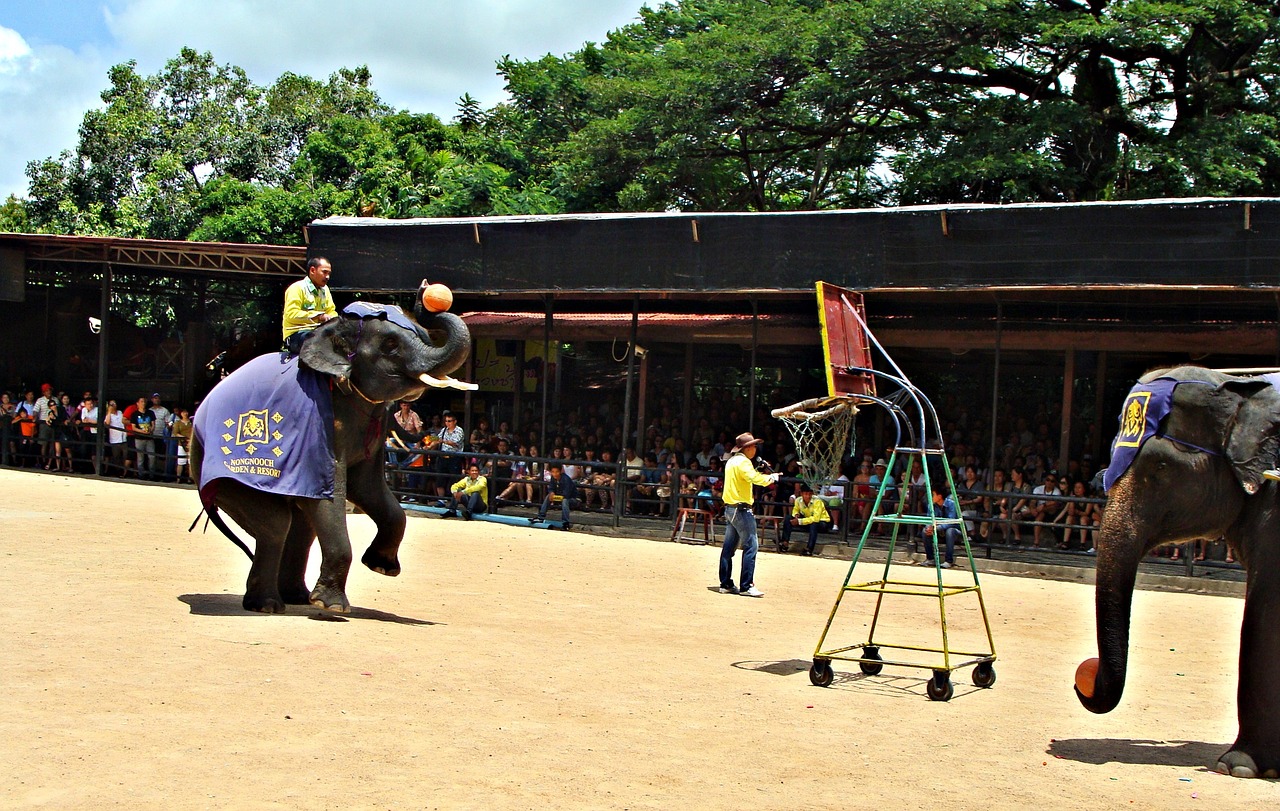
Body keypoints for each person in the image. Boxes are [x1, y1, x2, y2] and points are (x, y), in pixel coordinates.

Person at [717, 432, 780, 598]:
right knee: (751, 545)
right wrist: (771, 478)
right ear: (746, 448)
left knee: (729, 548)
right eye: (753, 446)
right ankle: (747, 585)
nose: (755, 449)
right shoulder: (744, 462)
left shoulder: (732, 461)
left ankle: (725, 583)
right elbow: (754, 478)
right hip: (741, 509)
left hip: (730, 507)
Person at [282, 256, 338, 355]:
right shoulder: (296, 288)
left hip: (319, 333)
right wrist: (319, 316)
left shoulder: (325, 290)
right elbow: (291, 314)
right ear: (312, 270)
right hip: (297, 335)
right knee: (317, 341)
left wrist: (333, 319)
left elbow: (331, 311)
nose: (327, 277)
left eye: (329, 273)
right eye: (324, 272)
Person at [781, 483, 831, 556]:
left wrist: (800, 521)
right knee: (788, 518)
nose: (808, 496)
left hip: (822, 523)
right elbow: (795, 509)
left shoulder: (817, 501)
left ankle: (809, 549)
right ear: (801, 493)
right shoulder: (798, 500)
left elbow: (816, 519)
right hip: (807, 521)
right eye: (805, 494)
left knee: (814, 524)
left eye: (809, 494)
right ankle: (785, 543)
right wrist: (796, 515)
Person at [921, 481, 961, 568]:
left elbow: (951, 521)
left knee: (950, 531)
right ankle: (930, 558)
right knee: (925, 531)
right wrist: (929, 527)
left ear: (939, 496)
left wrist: (936, 528)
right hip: (938, 530)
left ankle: (948, 561)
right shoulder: (931, 505)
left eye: (933, 494)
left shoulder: (952, 504)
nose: (931, 496)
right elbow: (928, 519)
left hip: (955, 531)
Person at [531, 461, 576, 529]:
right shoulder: (553, 478)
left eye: (557, 472)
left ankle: (565, 522)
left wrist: (555, 496)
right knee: (548, 496)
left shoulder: (566, 479)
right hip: (560, 497)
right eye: (553, 472)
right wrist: (551, 493)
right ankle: (541, 517)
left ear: (560, 471)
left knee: (565, 500)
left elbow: (567, 494)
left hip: (572, 499)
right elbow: (551, 487)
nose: (555, 474)